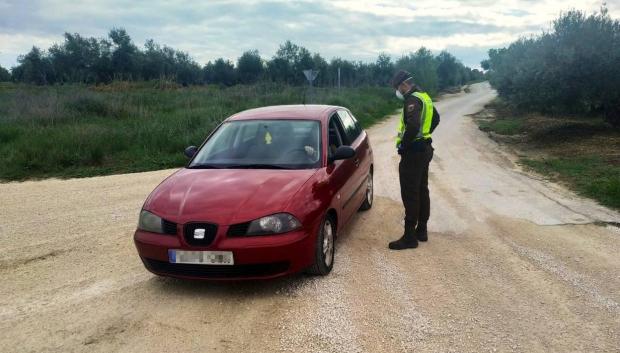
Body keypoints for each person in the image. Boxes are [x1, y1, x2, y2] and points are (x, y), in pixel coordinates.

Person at [388, 70, 440, 250]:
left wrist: (404, 145)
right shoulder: (424, 96)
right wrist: (425, 135)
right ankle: (422, 230)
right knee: (422, 189)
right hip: (425, 149)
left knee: (410, 193)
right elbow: (436, 118)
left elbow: (413, 125)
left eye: (397, 88)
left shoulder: (412, 99)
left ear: (404, 85)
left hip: (414, 153)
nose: (397, 91)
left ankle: (410, 237)